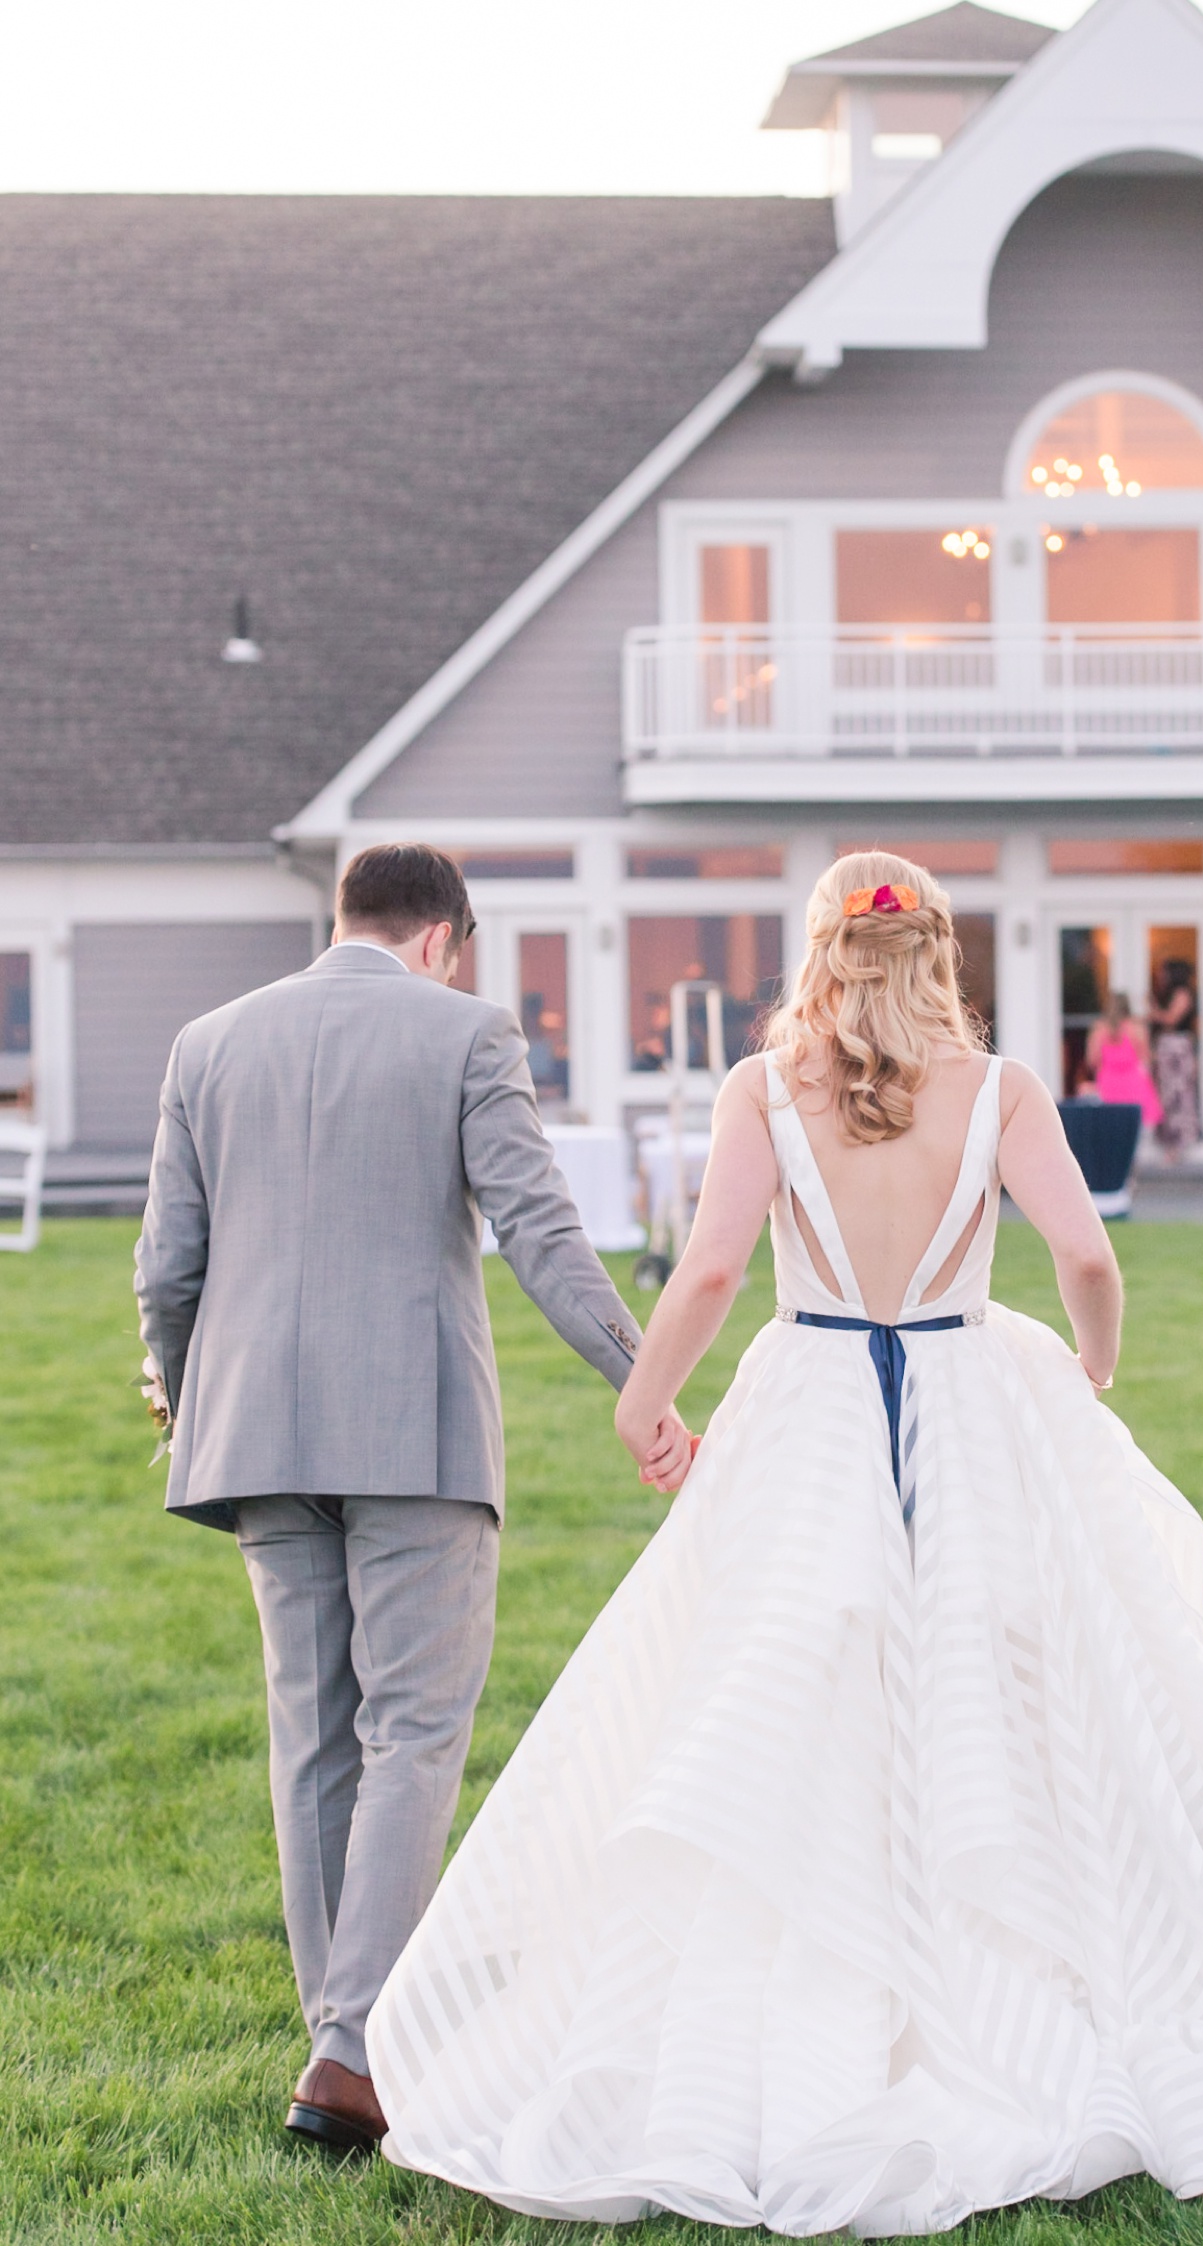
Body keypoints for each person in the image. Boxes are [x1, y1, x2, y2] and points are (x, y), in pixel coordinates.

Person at [368, 853, 1203, 2229]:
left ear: (816, 950)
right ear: (939, 950)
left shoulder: (766, 1087)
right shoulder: (998, 1090)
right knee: (989, 1697)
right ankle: (987, 1992)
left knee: (787, 1693)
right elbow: (1091, 1258)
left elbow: (705, 1269)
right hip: (969, 1409)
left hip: (810, 1408)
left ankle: (810, 1992)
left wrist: (647, 1400)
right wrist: (1095, 1370)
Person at [135, 844, 678, 2158]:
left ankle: (339, 2040)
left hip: (256, 1429)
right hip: (414, 1432)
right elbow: (543, 1232)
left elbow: (167, 1263)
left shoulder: (207, 1041)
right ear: (446, 937)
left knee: (312, 1732)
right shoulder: (469, 1032)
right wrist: (646, 1383)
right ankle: (355, 2045)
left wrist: (176, 1380)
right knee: (417, 1727)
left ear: (349, 919)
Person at [1084, 990, 1162, 1130]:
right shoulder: (1136, 1027)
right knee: (1137, 1131)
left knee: (1111, 1128)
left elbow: (1092, 1059)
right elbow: (1145, 1058)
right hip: (1134, 1082)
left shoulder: (1099, 1029)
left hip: (1108, 1082)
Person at [1150, 959, 1201, 1159]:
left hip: (1177, 1048)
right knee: (1168, 1095)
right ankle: (1170, 1142)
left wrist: (1153, 1012)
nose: (1161, 977)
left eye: (1164, 972)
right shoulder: (1169, 994)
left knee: (1178, 1095)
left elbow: (1172, 1019)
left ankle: (1179, 1144)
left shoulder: (1182, 993)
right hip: (1167, 1047)